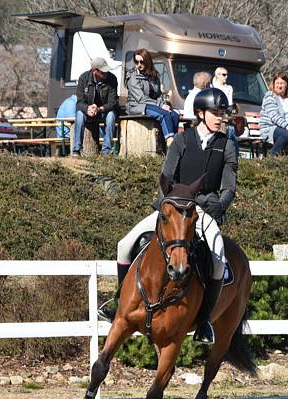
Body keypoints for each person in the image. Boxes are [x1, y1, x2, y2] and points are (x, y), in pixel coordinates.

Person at [99, 87, 237, 344]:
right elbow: (167, 177)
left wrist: (221, 205)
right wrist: (168, 205)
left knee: (218, 259)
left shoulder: (227, 145)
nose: (221, 117)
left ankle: (205, 320)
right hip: (173, 208)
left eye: (223, 113)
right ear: (200, 113)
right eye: (216, 113)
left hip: (203, 210)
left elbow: (229, 185)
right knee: (124, 245)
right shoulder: (182, 141)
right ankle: (119, 303)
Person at [126, 49, 179, 145]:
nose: (139, 64)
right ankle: (170, 143)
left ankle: (170, 142)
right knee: (164, 114)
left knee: (174, 114)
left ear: (147, 61)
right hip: (137, 106)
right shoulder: (132, 76)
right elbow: (141, 98)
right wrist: (160, 105)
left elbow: (158, 95)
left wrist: (163, 103)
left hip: (152, 105)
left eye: (141, 62)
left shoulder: (154, 76)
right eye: (136, 62)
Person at [72, 57, 118, 156]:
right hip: (88, 112)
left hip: (103, 111)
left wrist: (100, 109)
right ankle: (76, 149)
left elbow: (113, 102)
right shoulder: (83, 78)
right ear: (95, 71)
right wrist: (87, 108)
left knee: (111, 116)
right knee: (79, 114)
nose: (106, 73)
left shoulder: (112, 79)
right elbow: (79, 102)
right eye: (103, 71)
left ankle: (106, 150)